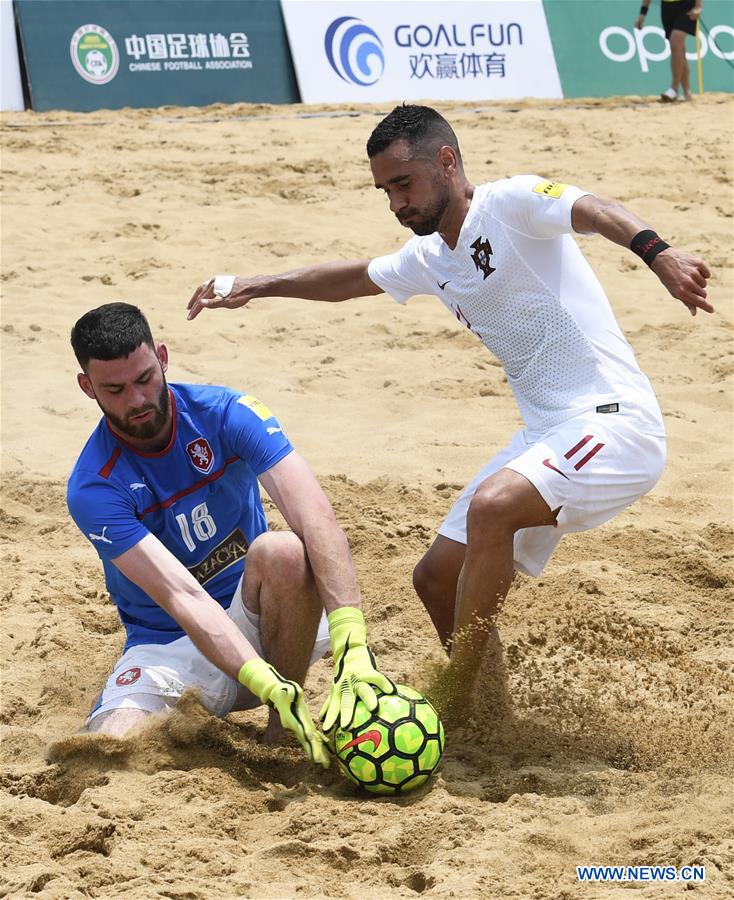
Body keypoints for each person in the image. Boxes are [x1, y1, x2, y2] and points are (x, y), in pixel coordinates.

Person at [186, 104, 713, 711]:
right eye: (384, 191)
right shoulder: (429, 259)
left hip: (616, 423)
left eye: (402, 184)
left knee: (492, 509)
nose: (395, 203)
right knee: (434, 578)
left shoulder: (510, 202)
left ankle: (457, 691)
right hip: (547, 432)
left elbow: (592, 210)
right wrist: (259, 284)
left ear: (446, 161)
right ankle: (493, 715)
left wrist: (658, 252)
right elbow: (350, 277)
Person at [67, 302, 393, 763]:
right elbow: (184, 597)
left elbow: (316, 518)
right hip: (170, 646)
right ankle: (274, 695)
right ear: (87, 387)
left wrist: (351, 638)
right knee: (102, 753)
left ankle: (282, 735)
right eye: (115, 390)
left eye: (144, 379)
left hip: (269, 623)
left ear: (162, 357)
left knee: (283, 549)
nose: (137, 401)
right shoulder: (93, 486)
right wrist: (260, 681)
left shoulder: (226, 412)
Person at [635, 0, 703, 102]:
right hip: (667, 7)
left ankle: (674, 89)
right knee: (679, 48)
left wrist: (698, 6)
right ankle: (687, 92)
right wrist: (642, 14)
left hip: (686, 5)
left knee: (675, 43)